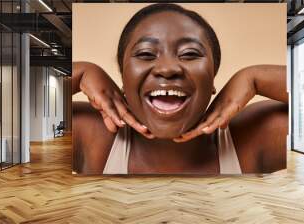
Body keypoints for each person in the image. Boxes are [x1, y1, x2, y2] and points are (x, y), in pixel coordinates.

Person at [72, 3, 288, 174]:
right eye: (146, 54)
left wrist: (253, 78)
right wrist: (81, 72)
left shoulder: (251, 136)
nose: (168, 69)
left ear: (212, 78)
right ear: (123, 79)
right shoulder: (93, 134)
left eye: (190, 54)